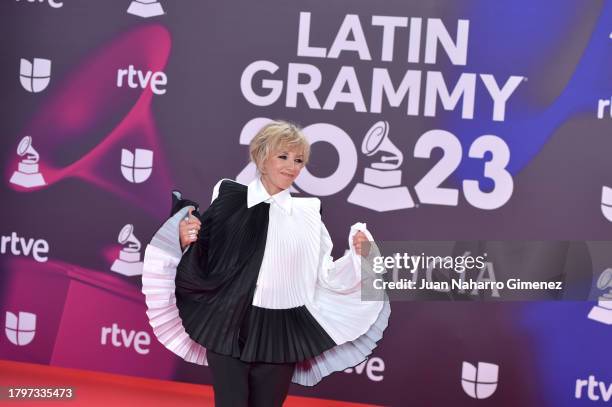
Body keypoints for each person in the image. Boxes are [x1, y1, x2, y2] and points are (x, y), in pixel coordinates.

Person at [142, 120, 390, 407]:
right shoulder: (228, 195)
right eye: (283, 156)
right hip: (226, 321)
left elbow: (324, 275)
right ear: (261, 157)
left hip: (280, 331)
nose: (292, 166)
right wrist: (185, 239)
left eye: (298, 160)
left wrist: (362, 257)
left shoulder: (309, 212)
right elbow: (206, 250)